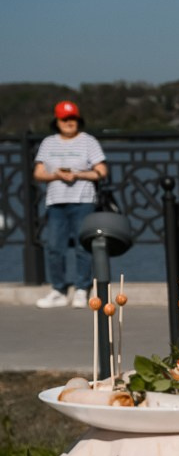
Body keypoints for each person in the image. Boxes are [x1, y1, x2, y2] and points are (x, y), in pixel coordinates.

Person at [32, 100, 108, 308]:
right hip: (56, 202)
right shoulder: (48, 143)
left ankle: (82, 289)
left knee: (84, 247)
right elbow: (38, 173)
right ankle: (59, 289)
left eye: (72, 118)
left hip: (83, 200)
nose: (69, 122)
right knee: (55, 247)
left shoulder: (89, 141)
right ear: (57, 121)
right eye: (65, 119)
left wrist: (78, 174)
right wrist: (55, 175)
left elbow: (101, 171)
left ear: (78, 119)